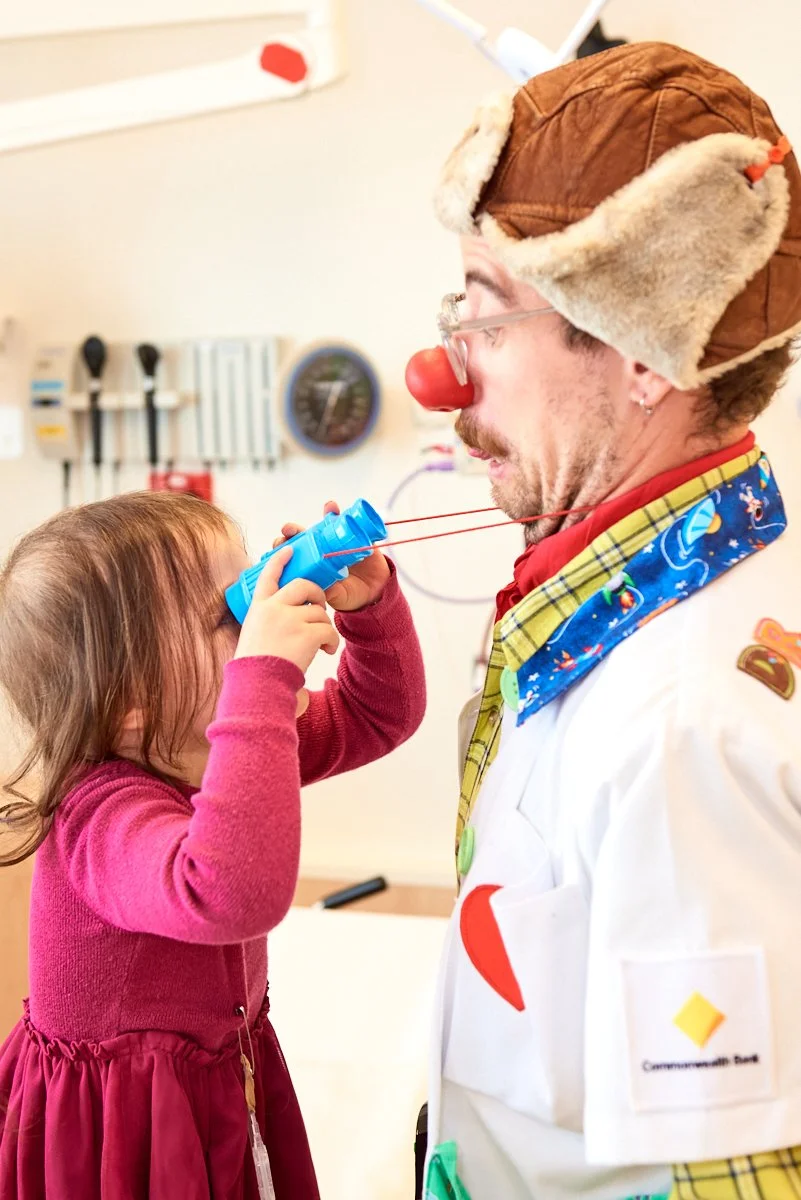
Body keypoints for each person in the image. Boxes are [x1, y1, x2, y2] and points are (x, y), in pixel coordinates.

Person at [406, 41, 801, 1200]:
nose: (446, 368)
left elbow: (737, 1180)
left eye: (482, 316)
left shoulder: (677, 734)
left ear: (641, 356)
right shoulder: (632, 623)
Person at [0, 490, 426, 1200]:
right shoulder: (100, 816)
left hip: (218, 1076)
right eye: (228, 612)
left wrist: (367, 612)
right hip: (121, 1134)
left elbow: (376, 714)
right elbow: (227, 892)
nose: (258, 611)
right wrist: (261, 678)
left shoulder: (202, 747)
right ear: (130, 700)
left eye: (249, 582)